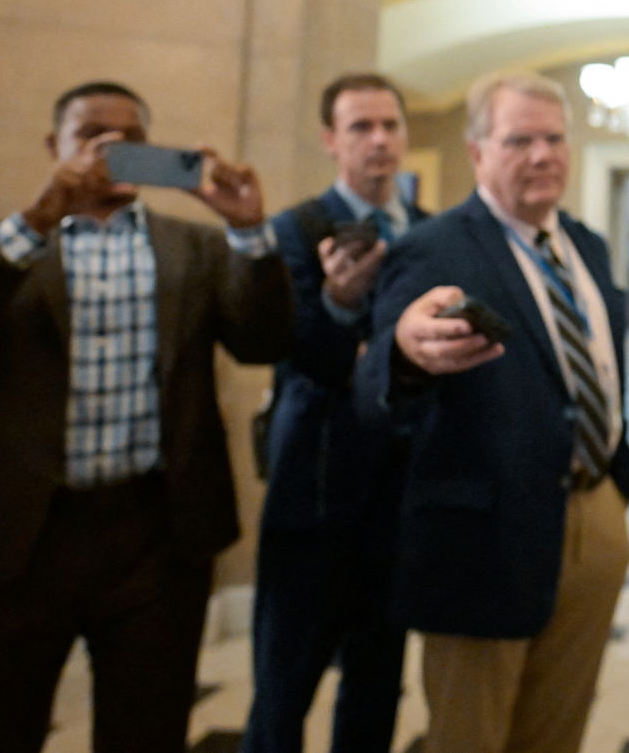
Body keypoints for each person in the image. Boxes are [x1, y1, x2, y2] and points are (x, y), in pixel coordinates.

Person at [0, 81, 292, 753]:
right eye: (91, 135)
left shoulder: (197, 248)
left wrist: (248, 232)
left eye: (129, 141)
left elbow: (264, 343)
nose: (110, 150)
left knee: (146, 732)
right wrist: (36, 219)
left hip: (155, 538)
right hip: (13, 537)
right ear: (53, 147)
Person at [357, 72, 629, 753]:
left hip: (593, 513)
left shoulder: (587, 246)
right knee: (472, 737)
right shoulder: (435, 247)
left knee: (556, 731)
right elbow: (378, 384)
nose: (542, 155)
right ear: (478, 153)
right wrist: (404, 351)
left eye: (553, 138)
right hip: (484, 539)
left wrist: (617, 491)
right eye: (519, 141)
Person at [244, 73, 428, 753]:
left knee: (376, 688)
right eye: (360, 127)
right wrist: (341, 307)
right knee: (282, 687)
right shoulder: (293, 229)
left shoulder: (431, 231)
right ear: (331, 140)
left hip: (399, 497)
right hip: (312, 493)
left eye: (389, 125)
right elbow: (291, 353)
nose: (378, 141)